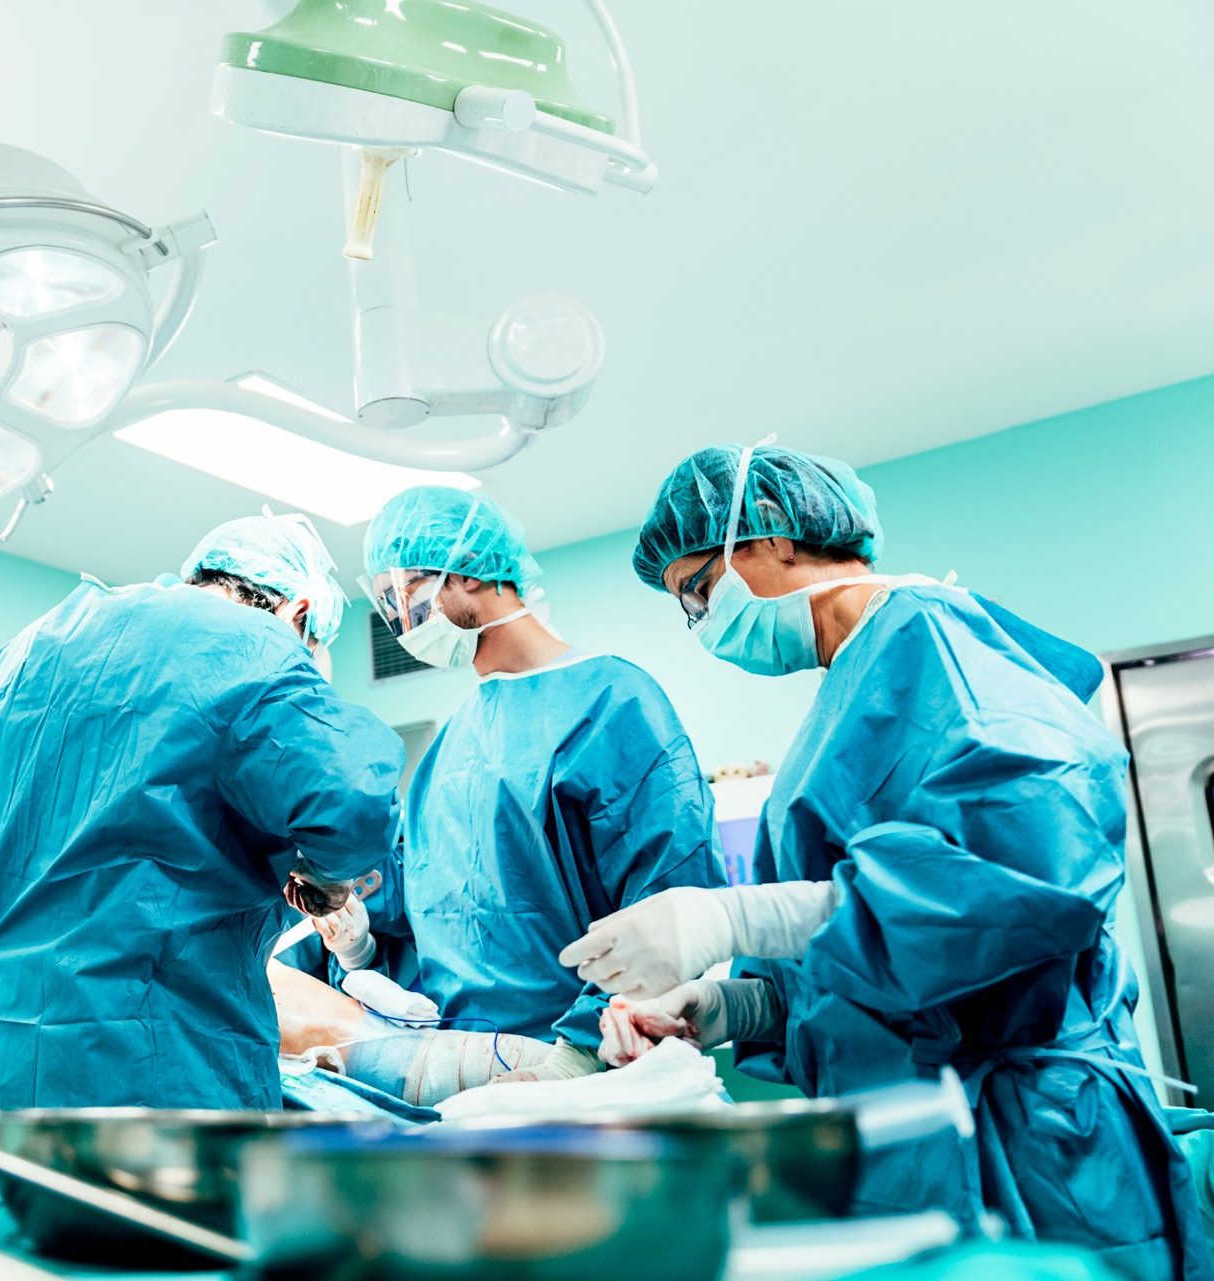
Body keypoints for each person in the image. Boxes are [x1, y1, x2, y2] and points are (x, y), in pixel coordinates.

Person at [567, 441, 1210, 1280]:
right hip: (931, 1137)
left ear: (770, 535)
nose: (700, 624)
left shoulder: (938, 644)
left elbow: (1033, 873)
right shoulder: (854, 683)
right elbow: (870, 966)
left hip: (1033, 1148)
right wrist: (733, 1007)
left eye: (698, 590)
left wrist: (737, 915)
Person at [0, 512, 403, 1158]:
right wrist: (319, 877)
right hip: (156, 1070)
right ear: (298, 611)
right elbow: (357, 804)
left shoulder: (30, 645)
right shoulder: (255, 650)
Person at [359, 486, 724, 1081]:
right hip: (463, 1075)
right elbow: (428, 916)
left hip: (594, 1067)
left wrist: (579, 1054)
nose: (401, 620)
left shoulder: (610, 703)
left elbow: (671, 896)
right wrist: (351, 921)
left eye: (407, 594)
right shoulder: (444, 750)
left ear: (469, 573)